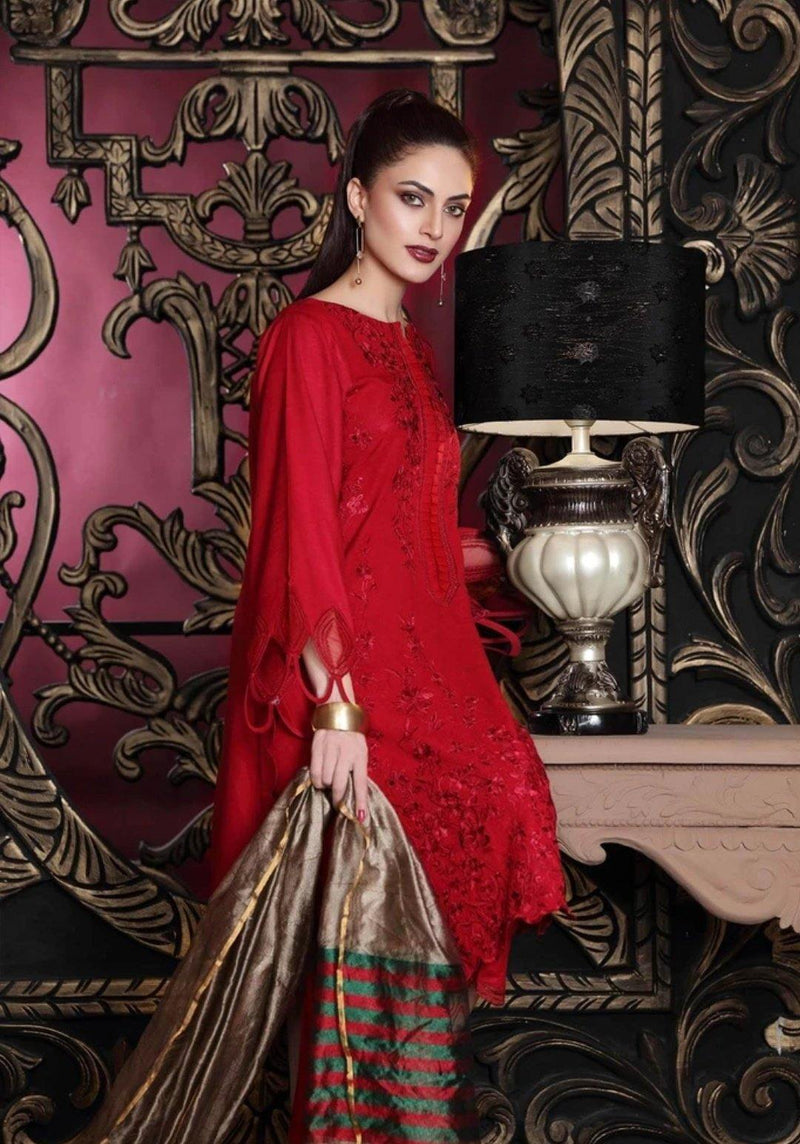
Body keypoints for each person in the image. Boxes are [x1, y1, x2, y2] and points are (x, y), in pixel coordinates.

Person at [72, 88, 570, 1144]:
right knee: (355, 970)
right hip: (351, 690)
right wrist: (336, 708)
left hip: (435, 677)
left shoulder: (410, 348)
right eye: (411, 198)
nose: (434, 227)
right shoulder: (309, 336)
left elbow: (399, 527)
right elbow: (301, 531)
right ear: (355, 198)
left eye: (453, 207)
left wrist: (526, 556)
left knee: (429, 938)